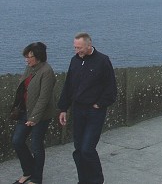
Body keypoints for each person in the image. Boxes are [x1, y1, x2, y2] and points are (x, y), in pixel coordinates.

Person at [58, 32, 117, 184]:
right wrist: (63, 108)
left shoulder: (103, 61)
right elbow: (68, 86)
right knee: (78, 150)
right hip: (78, 110)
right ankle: (83, 180)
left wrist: (100, 104)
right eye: (75, 47)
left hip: (94, 111)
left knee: (87, 149)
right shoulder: (75, 61)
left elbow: (111, 87)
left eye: (79, 48)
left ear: (89, 45)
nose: (77, 51)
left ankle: (97, 181)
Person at [11, 42, 56, 184]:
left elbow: (44, 98)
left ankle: (36, 178)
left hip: (41, 115)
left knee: (36, 145)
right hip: (26, 110)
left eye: (29, 57)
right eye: (26, 56)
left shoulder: (47, 71)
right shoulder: (29, 68)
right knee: (17, 141)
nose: (27, 59)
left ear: (38, 57)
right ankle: (28, 171)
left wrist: (34, 118)